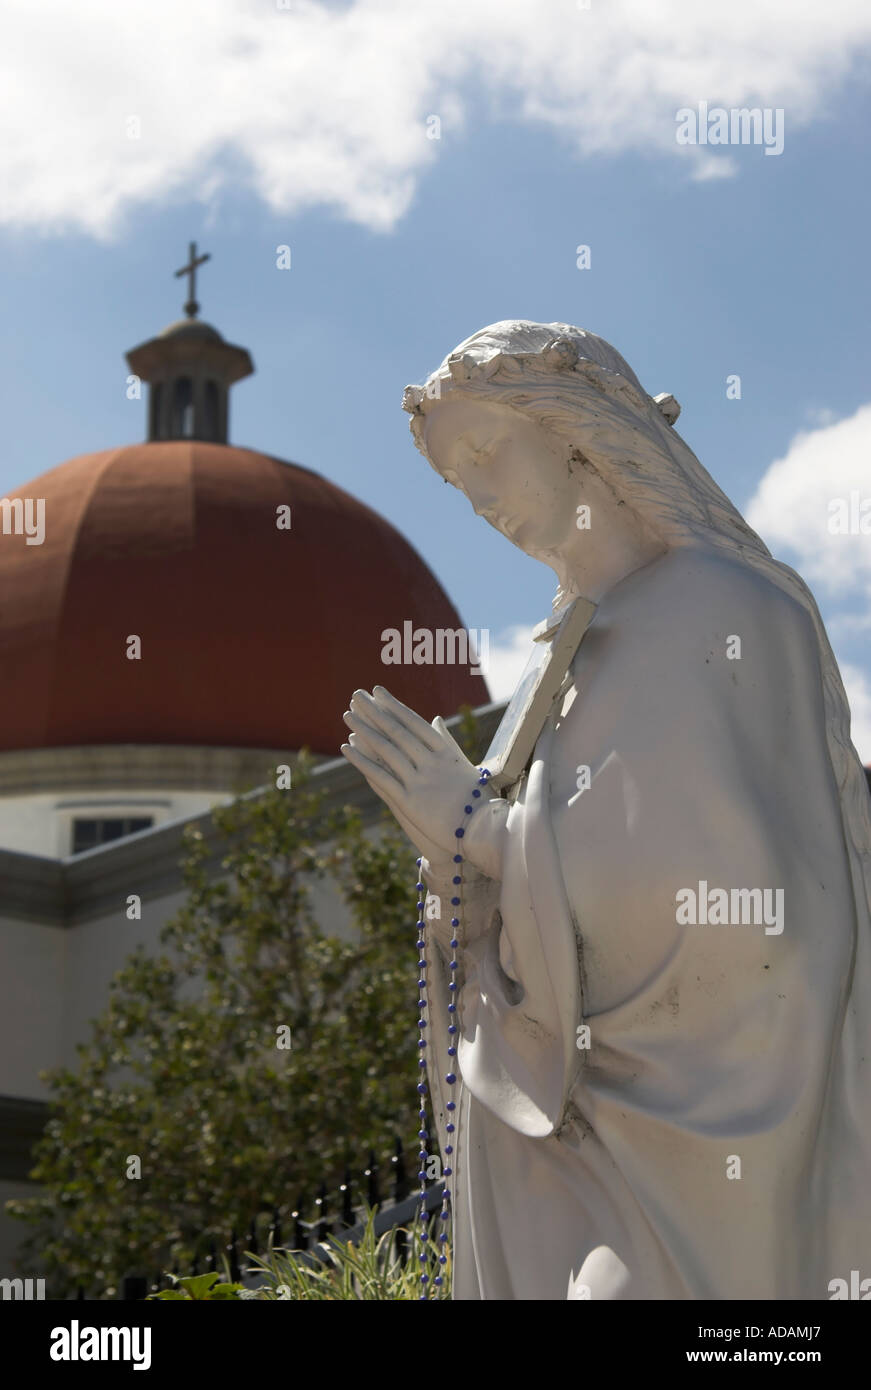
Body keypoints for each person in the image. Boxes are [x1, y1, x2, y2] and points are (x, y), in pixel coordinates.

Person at [341, 320, 871, 1300]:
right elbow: (513, 894)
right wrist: (455, 862)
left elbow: (760, 903)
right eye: (461, 484)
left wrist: (482, 831)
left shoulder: (724, 607)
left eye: (489, 453)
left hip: (715, 1122)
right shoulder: (559, 659)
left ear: (577, 429)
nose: (482, 498)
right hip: (576, 1122)